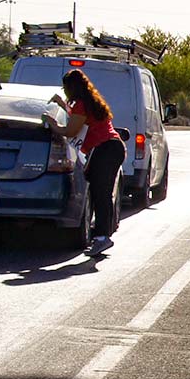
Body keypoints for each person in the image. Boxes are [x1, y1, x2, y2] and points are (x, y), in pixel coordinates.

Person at [55, 69, 125, 255]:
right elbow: (77, 118)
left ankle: (102, 237)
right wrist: (62, 105)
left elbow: (71, 130)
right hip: (112, 147)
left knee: (100, 193)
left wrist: (52, 124)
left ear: (71, 87)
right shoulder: (90, 101)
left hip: (105, 150)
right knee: (102, 192)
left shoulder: (81, 104)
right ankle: (102, 236)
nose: (65, 91)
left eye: (65, 88)